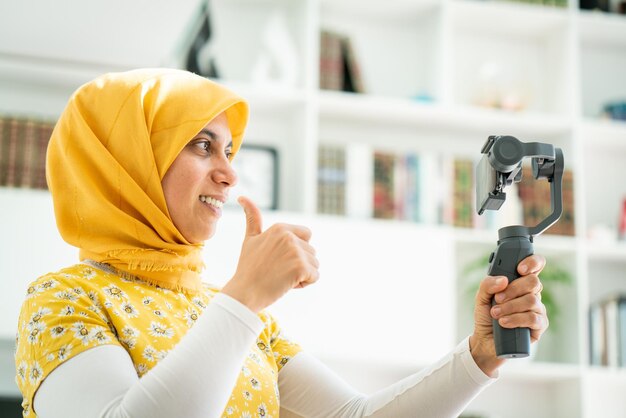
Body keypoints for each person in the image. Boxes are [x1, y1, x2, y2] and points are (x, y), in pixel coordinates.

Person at [14, 68, 548, 418]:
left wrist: (479, 356)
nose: (228, 173)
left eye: (229, 151)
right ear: (124, 164)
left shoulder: (240, 317)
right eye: (202, 146)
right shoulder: (64, 300)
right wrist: (244, 295)